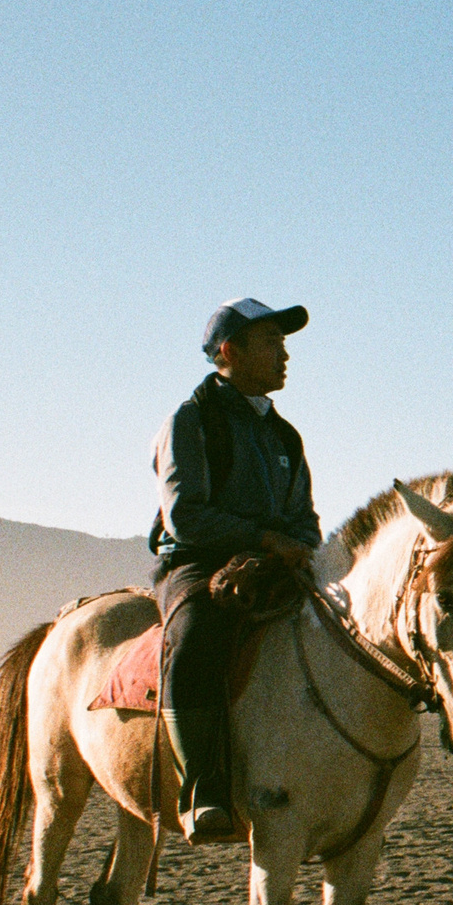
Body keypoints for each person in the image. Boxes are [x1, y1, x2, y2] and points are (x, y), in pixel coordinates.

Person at [149, 298, 320, 842]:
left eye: (284, 342)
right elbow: (184, 516)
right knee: (196, 638)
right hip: (198, 564)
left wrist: (294, 545)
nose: (285, 353)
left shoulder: (285, 436)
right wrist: (263, 537)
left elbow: (306, 518)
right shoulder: (190, 420)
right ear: (229, 352)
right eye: (272, 342)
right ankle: (202, 790)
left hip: (273, 565)